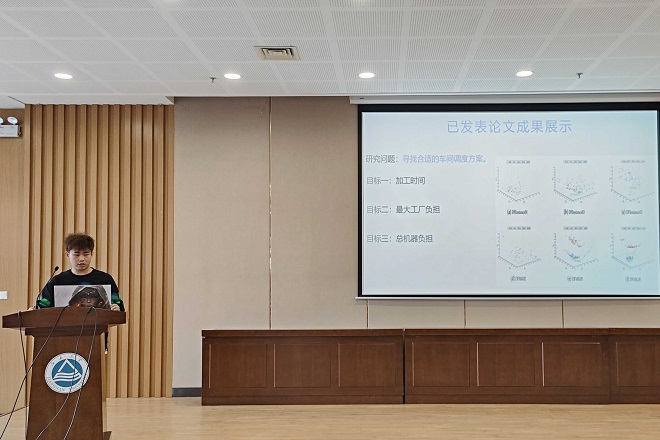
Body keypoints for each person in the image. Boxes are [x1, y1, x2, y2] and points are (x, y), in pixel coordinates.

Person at [37, 233, 125, 312]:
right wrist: (35, 310)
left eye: (86, 254)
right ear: (67, 254)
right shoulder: (57, 281)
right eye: (76, 254)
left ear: (92, 254)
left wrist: (117, 308)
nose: (82, 259)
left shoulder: (105, 279)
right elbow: (42, 306)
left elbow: (119, 307)